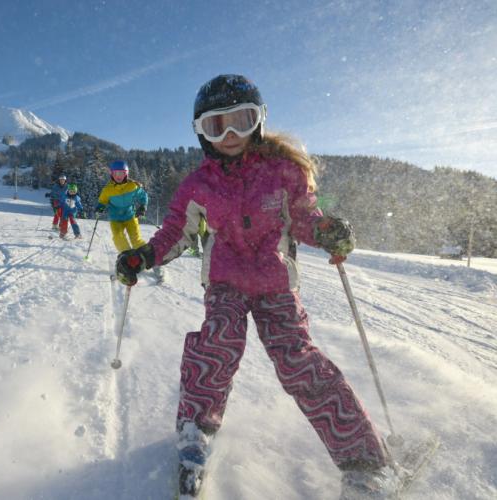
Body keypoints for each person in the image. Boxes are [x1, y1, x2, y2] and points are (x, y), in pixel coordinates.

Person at [115, 74, 392, 499]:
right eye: (216, 125)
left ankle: (363, 460)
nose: (228, 135)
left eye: (240, 122)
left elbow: (304, 218)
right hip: (225, 280)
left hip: (275, 284)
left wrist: (327, 230)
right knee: (217, 343)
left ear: (258, 122)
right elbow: (176, 231)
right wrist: (145, 256)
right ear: (201, 133)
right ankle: (196, 431)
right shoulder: (198, 184)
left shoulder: (284, 171)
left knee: (296, 359)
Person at [95, 160, 148, 252]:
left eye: (121, 173)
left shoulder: (132, 186)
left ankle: (148, 256)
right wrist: (100, 207)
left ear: (126, 174)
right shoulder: (107, 190)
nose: (118, 176)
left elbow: (143, 195)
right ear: (112, 174)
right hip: (115, 218)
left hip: (130, 216)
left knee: (136, 239)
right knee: (118, 238)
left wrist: (143, 206)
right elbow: (102, 201)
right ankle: (128, 256)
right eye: (116, 174)